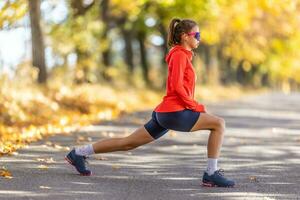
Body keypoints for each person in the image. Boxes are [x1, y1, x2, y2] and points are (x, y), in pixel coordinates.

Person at [65, 18, 235, 188]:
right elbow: (176, 86)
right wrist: (194, 105)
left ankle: (79, 153)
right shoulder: (179, 55)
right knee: (219, 124)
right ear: (184, 36)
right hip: (173, 113)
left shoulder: (181, 55)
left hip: (166, 113)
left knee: (128, 143)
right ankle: (211, 173)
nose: (199, 38)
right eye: (196, 34)